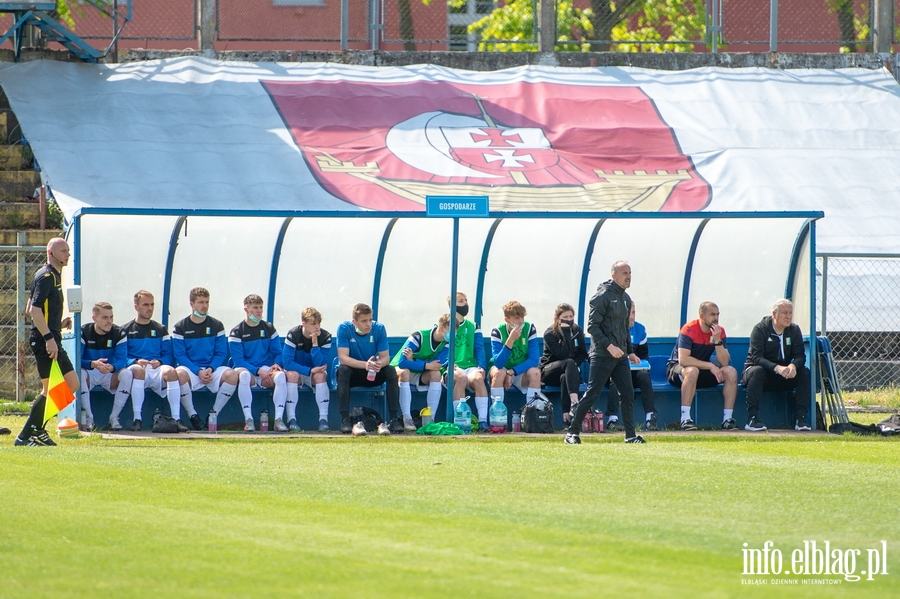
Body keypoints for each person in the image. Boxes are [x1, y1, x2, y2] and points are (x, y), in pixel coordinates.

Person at [566, 261, 645, 444]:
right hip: (602, 354)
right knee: (593, 393)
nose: (628, 277)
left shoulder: (625, 299)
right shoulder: (602, 296)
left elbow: (624, 328)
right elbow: (592, 327)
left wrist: (630, 352)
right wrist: (610, 346)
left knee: (627, 394)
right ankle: (572, 433)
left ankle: (630, 435)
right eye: (625, 273)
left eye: (630, 273)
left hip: (621, 356)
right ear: (614, 276)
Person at [16, 237, 80, 446]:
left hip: (51, 337)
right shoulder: (46, 276)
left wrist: (57, 324)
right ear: (50, 252)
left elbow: (30, 308)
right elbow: (34, 310)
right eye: (63, 251)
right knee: (49, 389)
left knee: (71, 384)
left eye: (68, 251)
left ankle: (38, 428)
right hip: (46, 342)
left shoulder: (53, 276)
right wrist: (49, 337)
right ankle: (25, 436)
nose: (67, 254)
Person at [172, 287, 240, 431]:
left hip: (210, 370)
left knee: (232, 375)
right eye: (201, 302)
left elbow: (221, 353)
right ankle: (193, 416)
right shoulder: (180, 327)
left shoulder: (217, 325)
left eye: (207, 302)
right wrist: (198, 371)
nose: (204, 306)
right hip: (191, 370)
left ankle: (213, 414)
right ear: (192, 304)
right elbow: (180, 355)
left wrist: (209, 369)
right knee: (179, 374)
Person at [666, 301, 738, 431]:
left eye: (717, 315)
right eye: (712, 315)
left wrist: (717, 340)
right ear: (702, 315)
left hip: (701, 370)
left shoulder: (719, 331)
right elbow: (683, 360)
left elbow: (724, 362)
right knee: (692, 371)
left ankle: (727, 420)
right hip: (677, 369)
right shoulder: (689, 329)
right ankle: (685, 419)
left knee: (731, 372)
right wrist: (710, 366)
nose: (716, 318)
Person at [121, 290, 186, 432]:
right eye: (145, 305)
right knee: (138, 371)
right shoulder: (124, 330)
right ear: (136, 307)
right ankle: (137, 420)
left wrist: (161, 362)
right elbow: (121, 357)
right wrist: (136, 361)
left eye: (152, 305)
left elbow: (168, 355)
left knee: (171, 371)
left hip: (156, 369)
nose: (149, 308)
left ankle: (176, 419)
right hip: (136, 368)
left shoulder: (161, 329)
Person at [743, 299, 812, 431]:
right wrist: (777, 368)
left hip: (782, 375)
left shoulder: (794, 330)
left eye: (790, 313)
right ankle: (752, 419)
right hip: (758, 373)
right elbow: (756, 358)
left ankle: (801, 418)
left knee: (804, 372)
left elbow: (800, 356)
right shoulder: (760, 329)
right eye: (784, 313)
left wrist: (793, 366)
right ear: (774, 314)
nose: (788, 316)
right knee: (758, 371)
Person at [229, 294, 295, 432]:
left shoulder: (269, 328)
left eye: (260, 307)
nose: (259, 311)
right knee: (244, 377)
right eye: (255, 308)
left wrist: (277, 364)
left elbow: (278, 352)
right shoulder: (236, 332)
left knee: (281, 376)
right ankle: (249, 420)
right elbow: (238, 361)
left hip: (266, 369)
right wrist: (258, 370)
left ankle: (278, 420)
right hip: (247, 370)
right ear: (246, 309)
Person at [335, 303, 404, 435]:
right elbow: (343, 358)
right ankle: (345, 420)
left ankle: (394, 420)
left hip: (373, 374)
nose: (368, 324)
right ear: (354, 322)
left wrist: (379, 364)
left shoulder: (379, 329)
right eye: (364, 321)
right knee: (343, 370)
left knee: (390, 370)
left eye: (370, 320)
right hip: (353, 375)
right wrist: (365, 365)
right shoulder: (343, 328)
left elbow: (385, 358)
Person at [390, 314, 451, 431]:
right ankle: (406, 419)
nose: (453, 335)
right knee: (405, 372)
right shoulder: (419, 336)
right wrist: (427, 365)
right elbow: (402, 363)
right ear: (442, 327)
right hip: (398, 370)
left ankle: (430, 419)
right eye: (451, 331)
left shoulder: (447, 343)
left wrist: (413, 360)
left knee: (436, 374)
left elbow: (437, 365)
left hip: (420, 371)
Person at [490, 300, 543, 430]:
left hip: (520, 371)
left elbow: (534, 359)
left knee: (536, 372)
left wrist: (512, 371)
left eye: (522, 317)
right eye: (516, 318)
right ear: (507, 319)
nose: (520, 321)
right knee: (498, 372)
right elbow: (498, 362)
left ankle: (533, 419)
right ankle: (497, 422)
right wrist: (510, 340)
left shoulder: (530, 328)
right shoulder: (497, 331)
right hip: (502, 370)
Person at [79, 302, 131, 431]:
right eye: (105, 318)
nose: (109, 321)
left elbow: (122, 360)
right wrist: (93, 364)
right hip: (90, 371)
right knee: (79, 373)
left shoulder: (119, 333)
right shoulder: (84, 331)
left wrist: (112, 367)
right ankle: (89, 417)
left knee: (127, 373)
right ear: (94, 318)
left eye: (111, 317)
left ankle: (114, 418)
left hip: (108, 372)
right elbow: (77, 359)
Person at [607, 302, 659, 432]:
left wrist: (640, 363)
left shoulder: (640, 329)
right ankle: (612, 419)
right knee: (615, 378)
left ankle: (650, 418)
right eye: (628, 313)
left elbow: (644, 356)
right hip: (615, 371)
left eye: (633, 312)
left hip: (633, 372)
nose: (631, 317)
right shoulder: (612, 329)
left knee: (644, 375)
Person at [282, 307, 331, 432]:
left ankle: (323, 420)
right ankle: (291, 420)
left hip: (314, 374)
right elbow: (287, 363)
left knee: (320, 375)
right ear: (303, 323)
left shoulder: (325, 337)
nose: (317, 327)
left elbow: (320, 364)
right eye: (313, 323)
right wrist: (309, 371)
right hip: (299, 372)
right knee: (291, 375)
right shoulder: (293, 335)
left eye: (319, 323)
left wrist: (315, 344)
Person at [539, 303, 588, 427]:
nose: (569, 320)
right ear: (557, 319)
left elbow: (582, 353)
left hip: (568, 371)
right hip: (549, 371)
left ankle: (566, 417)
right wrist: (566, 333)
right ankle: (575, 402)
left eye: (571, 316)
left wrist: (574, 366)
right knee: (569, 362)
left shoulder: (577, 330)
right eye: (565, 317)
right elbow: (563, 355)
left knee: (566, 376)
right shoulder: (549, 334)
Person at [446, 292, 489, 425]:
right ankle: (460, 421)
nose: (465, 303)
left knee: (478, 379)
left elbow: (479, 348)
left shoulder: (473, 326)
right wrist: (447, 364)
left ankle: (483, 421)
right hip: (453, 367)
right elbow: (441, 350)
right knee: (461, 379)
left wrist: (482, 366)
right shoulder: (444, 325)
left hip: (470, 366)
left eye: (465, 300)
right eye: (460, 301)